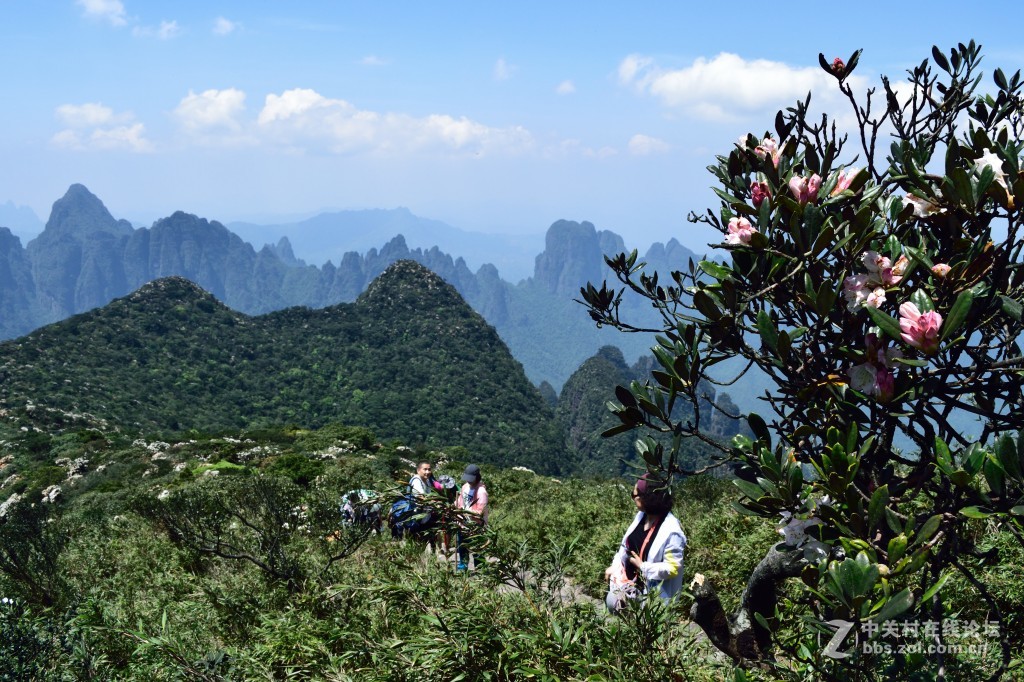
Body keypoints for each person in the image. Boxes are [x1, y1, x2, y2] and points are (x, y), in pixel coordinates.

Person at [604, 475, 686, 613]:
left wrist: (643, 567)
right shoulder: (641, 517)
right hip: (629, 590)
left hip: (653, 602)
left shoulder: (672, 531)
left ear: (649, 497)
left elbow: (673, 568)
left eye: (637, 494)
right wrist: (615, 566)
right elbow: (625, 547)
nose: (634, 497)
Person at [455, 463, 489, 572]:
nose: (469, 481)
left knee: (477, 549)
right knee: (462, 547)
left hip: (475, 526)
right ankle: (462, 568)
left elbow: (479, 512)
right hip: (463, 523)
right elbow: (460, 501)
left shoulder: (481, 492)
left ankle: (480, 570)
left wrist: (465, 511)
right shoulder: (465, 487)